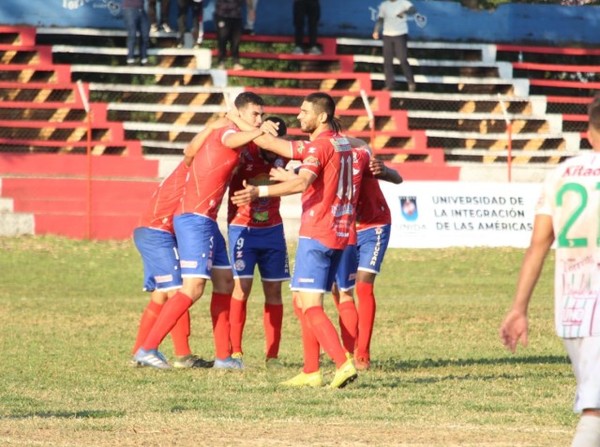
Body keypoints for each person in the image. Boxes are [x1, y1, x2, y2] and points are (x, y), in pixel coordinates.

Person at [231, 92, 358, 389]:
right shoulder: (340, 143)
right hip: (340, 233)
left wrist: (258, 192)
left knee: (309, 304)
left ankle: (343, 363)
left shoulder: (320, 146)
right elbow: (278, 145)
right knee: (303, 300)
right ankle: (311, 370)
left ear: (321, 116)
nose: (298, 116)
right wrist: (235, 118)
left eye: (304, 111)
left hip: (319, 232)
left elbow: (302, 182)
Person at [133, 92, 268, 369]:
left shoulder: (230, 132)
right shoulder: (227, 132)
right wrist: (252, 128)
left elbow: (193, 151)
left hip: (207, 220)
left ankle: (223, 358)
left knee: (225, 283)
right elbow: (230, 139)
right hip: (193, 219)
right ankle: (147, 349)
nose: (260, 119)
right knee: (192, 288)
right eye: (255, 114)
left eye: (262, 115)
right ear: (239, 113)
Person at [499, 96, 600, 447]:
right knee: (596, 411)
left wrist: (518, 308)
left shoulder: (560, 174)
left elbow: (538, 245)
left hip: (572, 307)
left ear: (589, 132)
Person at [131, 138, 214, 369]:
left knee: (161, 295)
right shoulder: (188, 169)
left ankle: (138, 351)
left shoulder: (194, 175)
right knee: (178, 292)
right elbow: (191, 151)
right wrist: (219, 123)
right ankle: (183, 356)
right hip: (156, 233)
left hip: (153, 232)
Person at [331, 140, 403, 371]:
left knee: (363, 285)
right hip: (344, 228)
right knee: (340, 289)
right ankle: (349, 349)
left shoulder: (357, 155)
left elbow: (397, 177)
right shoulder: (325, 160)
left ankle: (363, 352)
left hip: (375, 226)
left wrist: (385, 170)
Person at [227, 116, 291, 368]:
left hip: (273, 231)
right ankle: (235, 351)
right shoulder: (244, 153)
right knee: (241, 288)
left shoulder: (285, 156)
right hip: (243, 229)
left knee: (274, 291)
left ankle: (272, 356)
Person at [372, 0, 417, 92]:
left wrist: (404, 12)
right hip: (387, 35)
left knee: (402, 59)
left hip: (400, 34)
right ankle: (390, 84)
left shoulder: (403, 2)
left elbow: (413, 10)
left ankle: (410, 82)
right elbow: (381, 19)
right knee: (387, 61)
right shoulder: (384, 5)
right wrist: (376, 30)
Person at [214, 0, 245, 70]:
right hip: (222, 15)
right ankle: (221, 62)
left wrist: (251, 8)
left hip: (236, 16)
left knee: (236, 41)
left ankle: (236, 62)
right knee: (222, 39)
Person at [122, 0, 150, 65]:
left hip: (142, 9)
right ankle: (130, 59)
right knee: (132, 35)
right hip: (129, 9)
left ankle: (144, 59)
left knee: (145, 35)